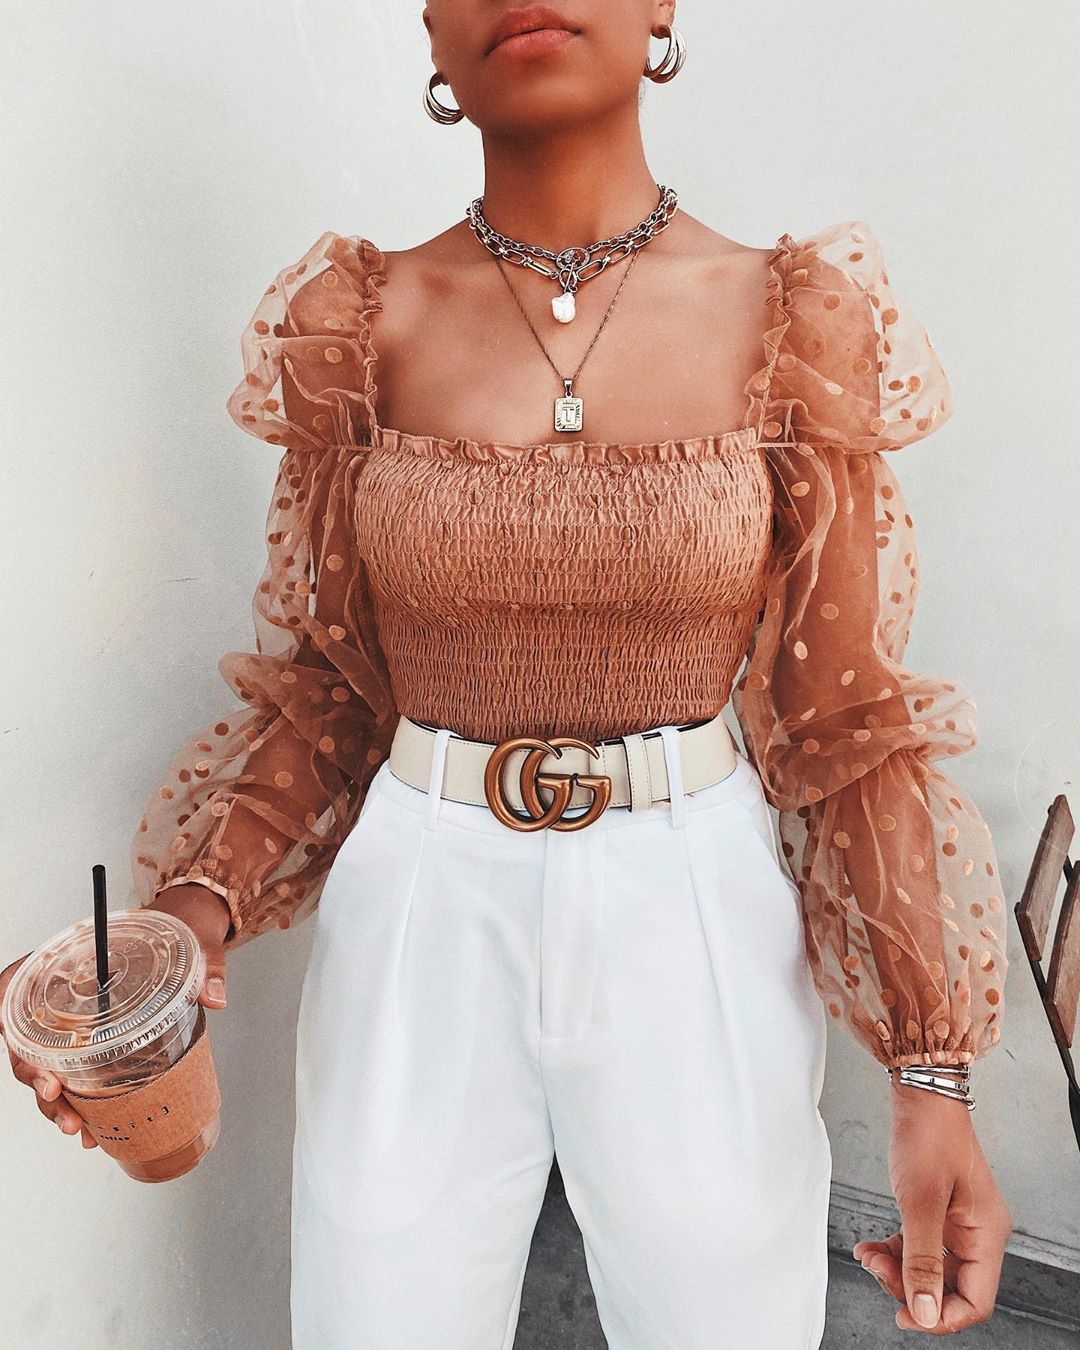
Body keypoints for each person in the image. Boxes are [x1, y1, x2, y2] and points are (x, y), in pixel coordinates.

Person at [2, 3, 1012, 1345]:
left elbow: (846, 717)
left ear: (662, 6)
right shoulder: (361, 321)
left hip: (694, 904)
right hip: (418, 902)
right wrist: (192, 911)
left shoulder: (794, 319)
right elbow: (330, 688)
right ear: (429, 27)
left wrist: (932, 1074)